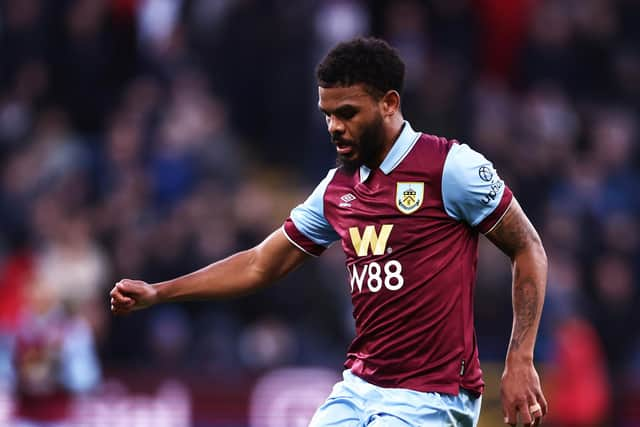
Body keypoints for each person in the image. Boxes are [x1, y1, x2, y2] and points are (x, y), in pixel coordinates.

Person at [110, 37, 548, 427]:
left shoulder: (451, 167)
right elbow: (262, 262)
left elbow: (528, 249)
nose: (334, 126)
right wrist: (159, 292)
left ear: (389, 103)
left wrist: (520, 358)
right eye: (327, 114)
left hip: (431, 397)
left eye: (347, 113)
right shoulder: (337, 189)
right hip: (360, 389)